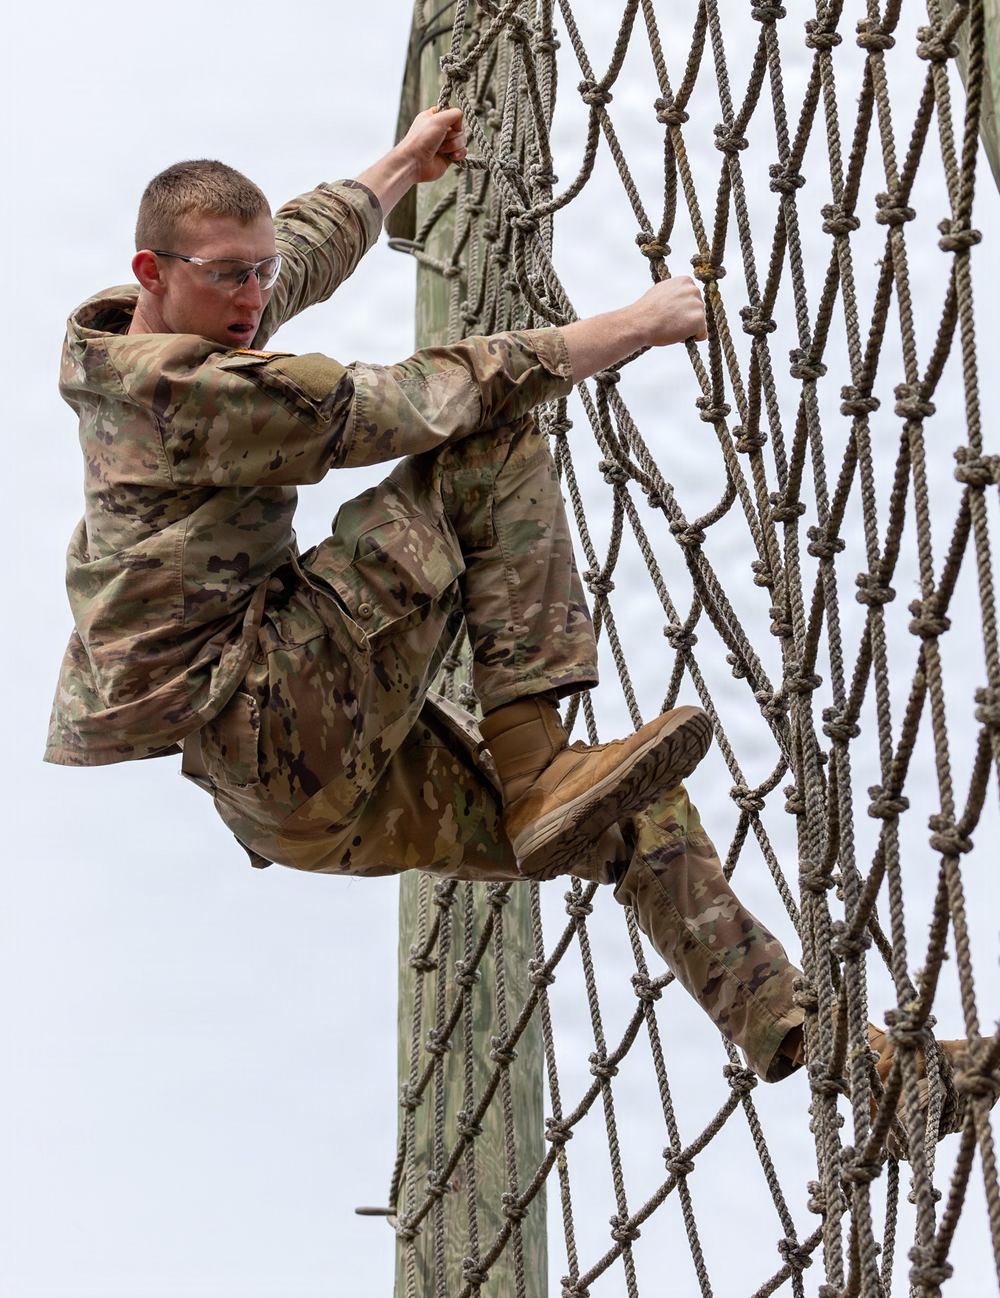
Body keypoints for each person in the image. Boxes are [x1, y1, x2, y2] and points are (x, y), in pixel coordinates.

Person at [46, 107, 968, 1126]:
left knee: (632, 811)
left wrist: (400, 164)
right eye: (230, 274)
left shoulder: (186, 315)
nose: (254, 295)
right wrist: (631, 326)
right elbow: (405, 402)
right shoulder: (174, 390)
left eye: (257, 272)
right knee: (489, 449)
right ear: (152, 268)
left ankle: (830, 1053)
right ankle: (534, 767)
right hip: (270, 717)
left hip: (304, 795)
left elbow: (304, 249)